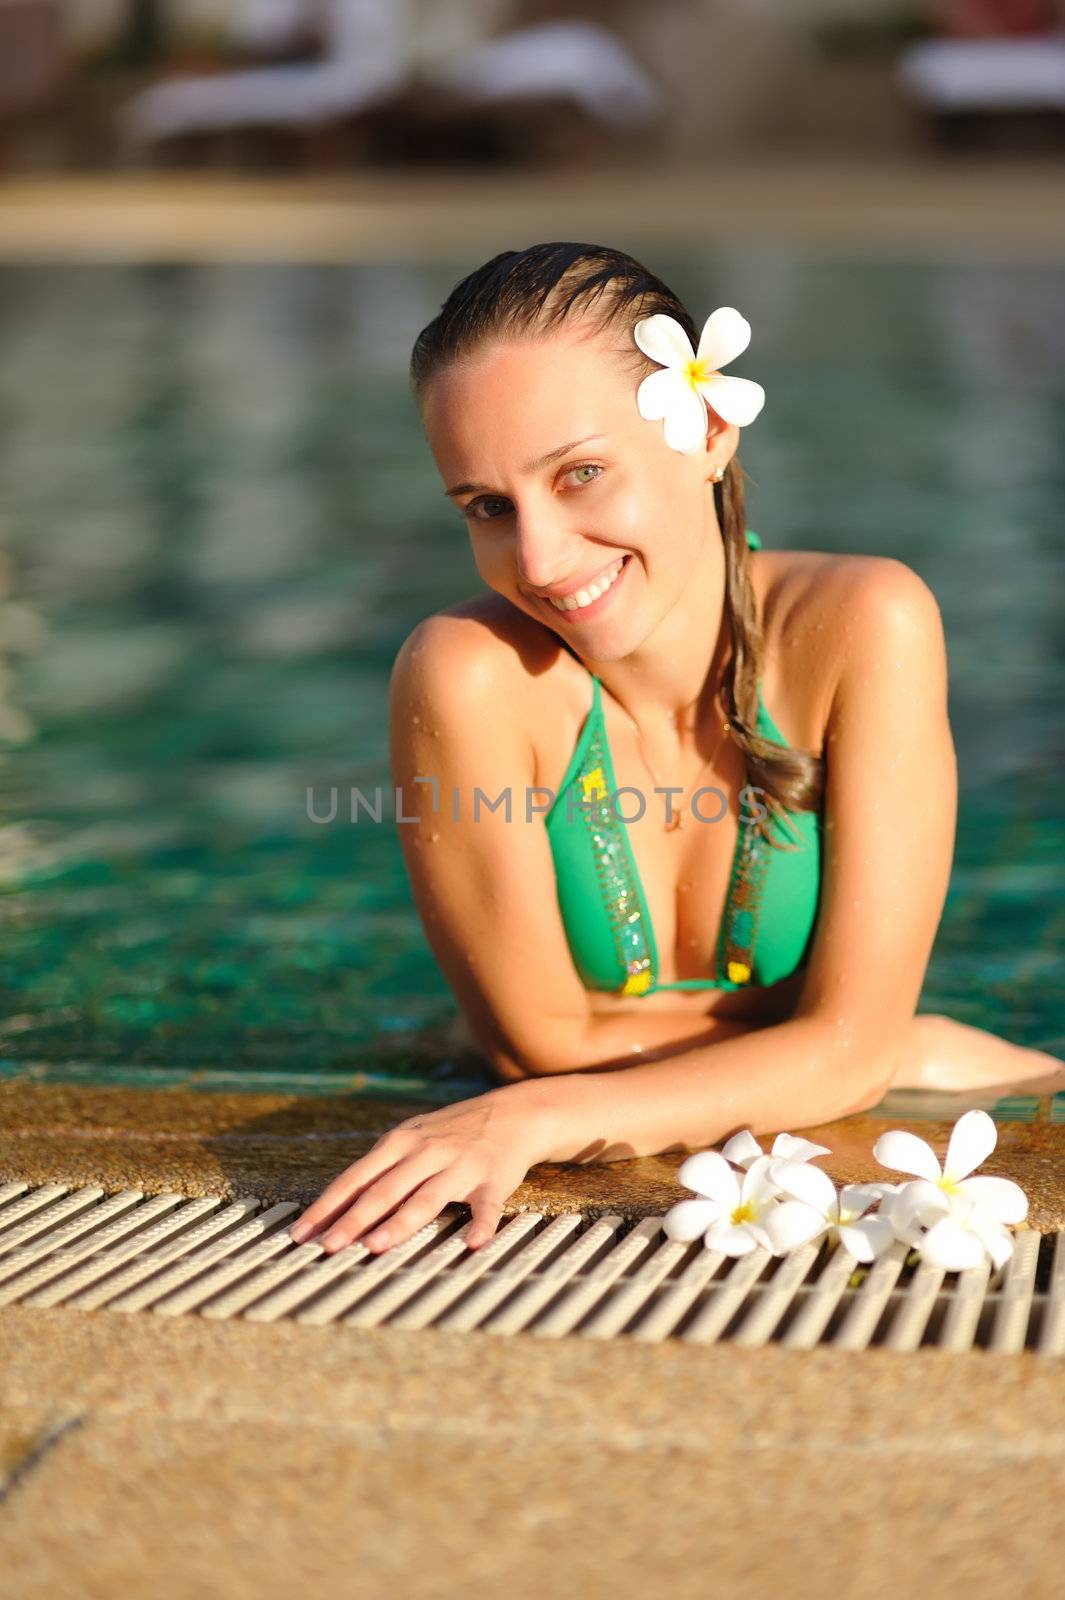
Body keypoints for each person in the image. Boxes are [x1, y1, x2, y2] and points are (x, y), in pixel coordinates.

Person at [287, 242, 1063, 1258]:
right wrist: (867, 1048)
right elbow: (540, 1045)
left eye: (581, 474)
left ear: (707, 429)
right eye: (487, 506)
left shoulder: (862, 628)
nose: (539, 558)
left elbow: (564, 1078)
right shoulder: (469, 676)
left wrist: (546, 1116)